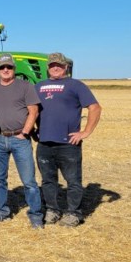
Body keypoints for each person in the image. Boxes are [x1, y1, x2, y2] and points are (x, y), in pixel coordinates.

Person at [36, 52, 102, 227]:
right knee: (48, 180)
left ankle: (73, 213)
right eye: (51, 65)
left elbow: (95, 108)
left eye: (59, 65)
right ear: (47, 67)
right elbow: (31, 110)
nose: (55, 67)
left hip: (68, 144)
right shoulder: (39, 86)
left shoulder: (76, 85)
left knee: (73, 181)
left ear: (66, 67)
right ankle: (52, 209)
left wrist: (85, 132)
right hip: (44, 143)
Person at [0, 54, 44, 228]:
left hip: (20, 139)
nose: (6, 70)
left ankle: (35, 215)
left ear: (14, 69)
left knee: (29, 181)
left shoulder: (25, 86)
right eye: (2, 68)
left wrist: (24, 132)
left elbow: (34, 111)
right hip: (0, 138)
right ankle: (2, 211)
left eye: (9, 67)